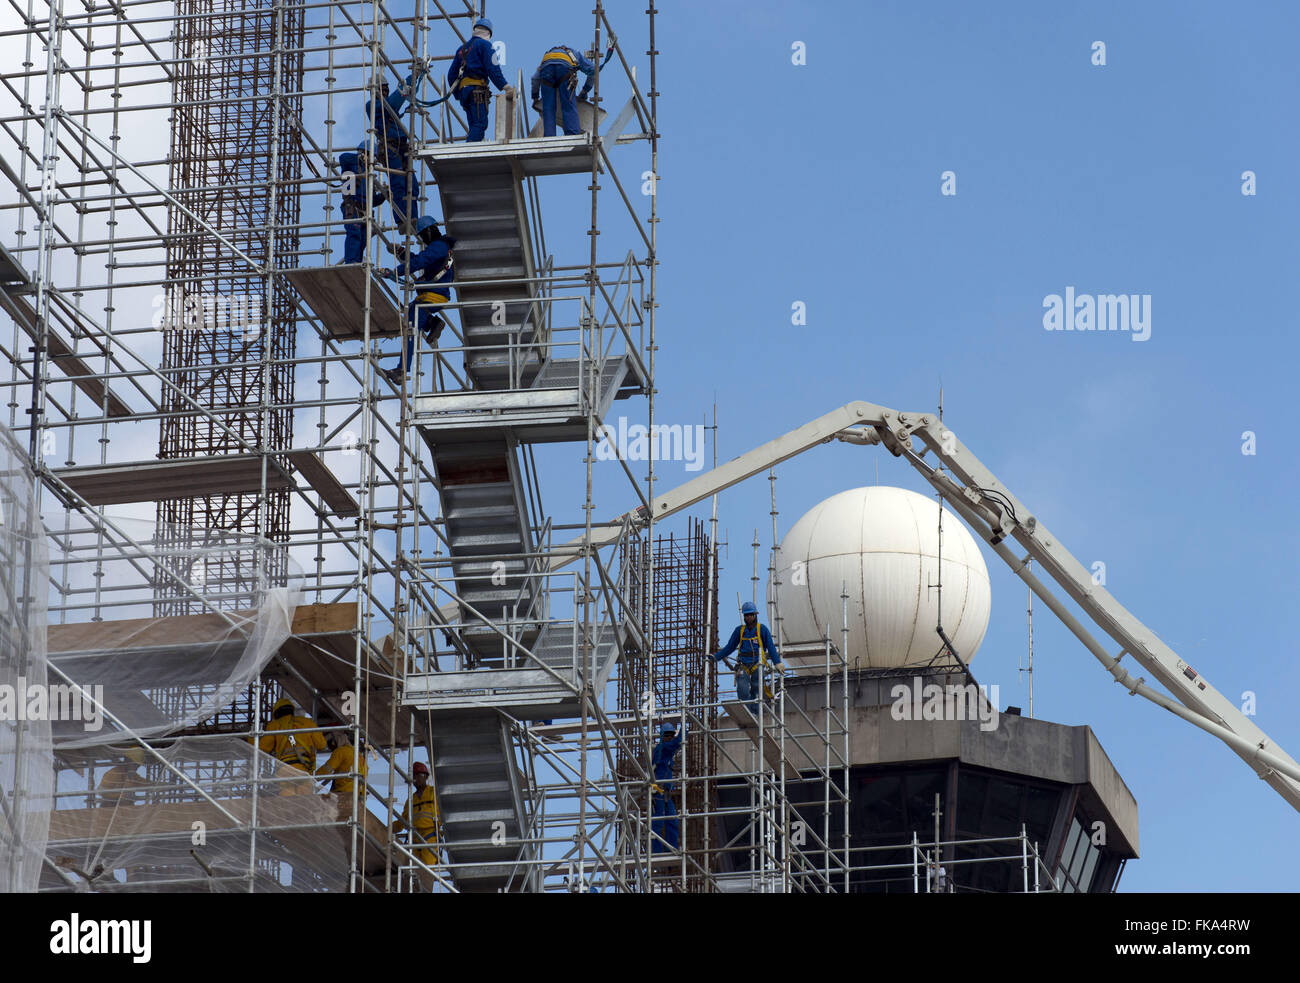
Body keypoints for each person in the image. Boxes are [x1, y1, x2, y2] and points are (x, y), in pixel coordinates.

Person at [379, 215, 454, 385]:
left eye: (421, 235)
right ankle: (431, 324)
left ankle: (402, 370)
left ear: (429, 231)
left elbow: (420, 261)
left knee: (411, 327)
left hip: (433, 296)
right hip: (431, 295)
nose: (421, 238)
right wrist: (401, 252)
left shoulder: (439, 246)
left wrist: (396, 272)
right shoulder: (440, 247)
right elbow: (419, 260)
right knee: (410, 316)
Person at [364, 66, 426, 230]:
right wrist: (408, 81)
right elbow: (393, 102)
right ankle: (401, 220)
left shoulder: (389, 102)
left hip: (402, 146)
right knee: (398, 183)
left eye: (386, 89)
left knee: (411, 183)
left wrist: (415, 77)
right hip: (390, 147)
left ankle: (412, 219)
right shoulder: (372, 105)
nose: (384, 91)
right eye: (381, 89)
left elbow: (406, 93)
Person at [446, 17, 514, 142]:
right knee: (480, 124)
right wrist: (505, 87)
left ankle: (470, 148)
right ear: (488, 33)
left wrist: (458, 94)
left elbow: (451, 75)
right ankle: (468, 153)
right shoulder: (486, 45)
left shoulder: (461, 49)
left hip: (465, 92)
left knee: (473, 125)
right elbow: (493, 69)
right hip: (477, 91)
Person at [711, 600, 783, 712]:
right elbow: (729, 647)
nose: (748, 617)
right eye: (746, 615)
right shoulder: (740, 631)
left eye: (750, 614)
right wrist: (715, 657)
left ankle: (756, 713)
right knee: (742, 689)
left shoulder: (762, 629)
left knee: (757, 689)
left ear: (755, 615)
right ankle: (747, 711)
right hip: (743, 664)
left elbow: (771, 647)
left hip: (757, 663)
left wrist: (777, 662)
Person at [256, 698, 328, 795]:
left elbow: (263, 748)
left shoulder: (273, 726)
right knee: (306, 800)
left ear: (276, 713)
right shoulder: (308, 723)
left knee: (287, 800)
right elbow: (322, 745)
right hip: (303, 769)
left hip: (284, 770)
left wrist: (251, 738)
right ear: (291, 710)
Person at [392, 761, 441, 891]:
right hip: (415, 839)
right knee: (413, 873)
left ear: (425, 776)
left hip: (430, 837)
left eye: (418, 775)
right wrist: (389, 829)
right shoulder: (411, 800)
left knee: (427, 870)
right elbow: (403, 821)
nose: (415, 779)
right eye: (414, 776)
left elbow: (442, 815)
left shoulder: (433, 793)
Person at [337, 142, 389, 264]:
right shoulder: (352, 165)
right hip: (352, 206)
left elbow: (372, 201)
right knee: (354, 234)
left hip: (365, 211)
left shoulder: (369, 176)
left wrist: (384, 195)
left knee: (363, 239)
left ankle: (357, 262)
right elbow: (343, 157)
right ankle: (351, 262)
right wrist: (359, 158)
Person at [529, 45, 596, 136]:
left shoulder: (547, 57)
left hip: (546, 71)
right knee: (568, 105)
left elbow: (534, 78)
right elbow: (593, 70)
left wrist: (535, 97)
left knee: (548, 108)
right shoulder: (575, 54)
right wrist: (585, 90)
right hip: (565, 71)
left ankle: (549, 138)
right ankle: (572, 135)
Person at [317, 730, 368, 819]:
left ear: (335, 741)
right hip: (358, 796)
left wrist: (310, 777)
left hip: (343, 793)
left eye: (330, 744)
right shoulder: (359, 756)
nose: (330, 747)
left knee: (316, 806)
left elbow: (326, 769)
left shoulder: (341, 751)